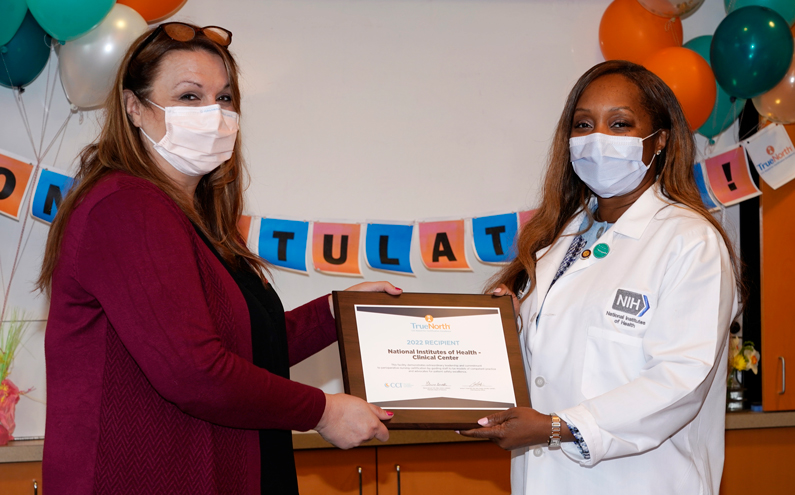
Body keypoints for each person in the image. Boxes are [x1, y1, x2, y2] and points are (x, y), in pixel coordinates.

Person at [38, 22, 399, 495]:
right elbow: (195, 370)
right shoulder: (127, 207)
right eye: (190, 97)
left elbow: (245, 350)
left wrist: (335, 312)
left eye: (224, 98)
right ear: (134, 108)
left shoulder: (195, 218)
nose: (214, 113)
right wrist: (323, 411)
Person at [460, 60, 742, 494]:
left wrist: (560, 428)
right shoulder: (557, 241)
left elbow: (680, 380)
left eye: (620, 124)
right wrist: (507, 327)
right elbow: (549, 367)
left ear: (660, 141)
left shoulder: (690, 240)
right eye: (584, 124)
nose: (598, 139)